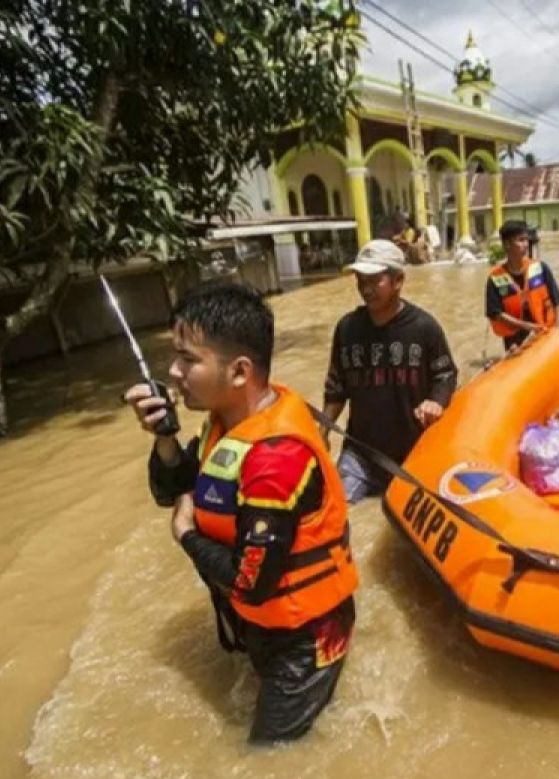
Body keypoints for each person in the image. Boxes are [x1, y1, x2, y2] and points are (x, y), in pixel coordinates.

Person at [125, 282, 357, 745]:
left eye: (188, 359)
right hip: (260, 621)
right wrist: (165, 439)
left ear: (239, 372)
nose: (173, 372)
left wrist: (187, 536)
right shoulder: (228, 422)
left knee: (269, 758)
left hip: (303, 639)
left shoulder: (276, 459)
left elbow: (252, 584)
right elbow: (186, 489)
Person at [321, 240, 457, 503]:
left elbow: (446, 375)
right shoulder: (347, 329)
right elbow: (336, 388)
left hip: (414, 454)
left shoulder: (425, 328)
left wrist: (436, 402)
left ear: (398, 280)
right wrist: (323, 432)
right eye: (361, 281)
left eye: (374, 281)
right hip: (360, 456)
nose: (366, 289)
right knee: (336, 511)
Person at [485, 219, 559, 351]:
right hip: (515, 341)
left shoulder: (541, 268)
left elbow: (557, 301)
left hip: (545, 333)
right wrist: (525, 325)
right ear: (507, 244)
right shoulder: (495, 279)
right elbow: (495, 313)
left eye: (526, 240)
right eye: (521, 240)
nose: (526, 244)